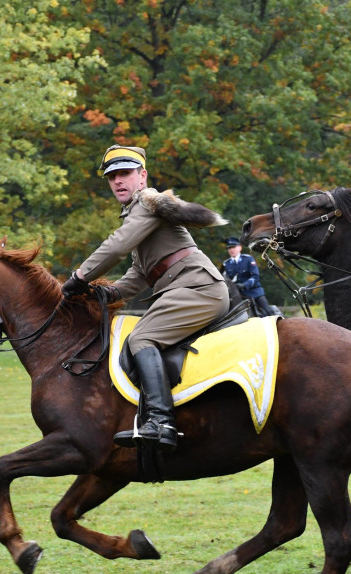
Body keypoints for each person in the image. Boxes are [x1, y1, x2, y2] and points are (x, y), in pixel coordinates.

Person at [61, 144, 230, 453]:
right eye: (112, 177)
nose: (117, 181)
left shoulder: (146, 205)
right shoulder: (140, 213)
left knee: (141, 339)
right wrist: (108, 292)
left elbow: (116, 247)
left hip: (198, 290)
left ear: (142, 176)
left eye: (124, 173)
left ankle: (162, 422)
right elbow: (140, 274)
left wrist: (79, 276)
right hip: (188, 290)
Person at [221, 237, 273, 317]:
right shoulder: (226, 264)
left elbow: (255, 277)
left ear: (240, 247)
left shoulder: (248, 259)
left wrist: (244, 285)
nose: (231, 250)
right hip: (237, 295)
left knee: (268, 312)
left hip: (253, 292)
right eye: (229, 248)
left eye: (233, 247)